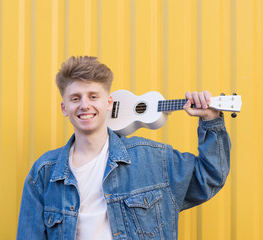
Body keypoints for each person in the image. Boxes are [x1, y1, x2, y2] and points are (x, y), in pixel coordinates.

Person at [16, 56, 231, 240]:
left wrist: (210, 121)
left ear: (108, 102)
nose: (84, 105)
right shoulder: (44, 173)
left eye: (93, 96)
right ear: (65, 108)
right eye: (75, 98)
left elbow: (210, 176)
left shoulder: (154, 160)